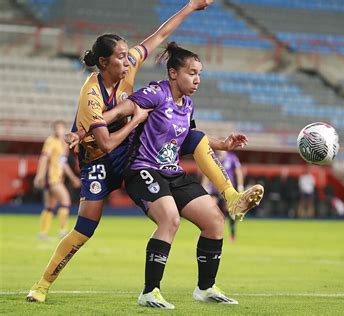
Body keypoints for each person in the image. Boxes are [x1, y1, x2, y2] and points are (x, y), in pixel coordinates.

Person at [27, 0, 215, 303]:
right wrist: (137, 120)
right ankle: (42, 284)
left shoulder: (129, 67)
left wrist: (191, 7)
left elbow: (160, 35)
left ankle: (164, 283)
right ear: (104, 62)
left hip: (131, 156)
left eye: (129, 56)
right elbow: (106, 144)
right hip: (99, 162)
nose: (128, 62)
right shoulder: (91, 96)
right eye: (121, 57)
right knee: (85, 229)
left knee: (182, 142)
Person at [121, 42, 263, 308]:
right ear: (173, 73)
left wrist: (222, 143)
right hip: (143, 170)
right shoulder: (155, 93)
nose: (197, 79)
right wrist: (88, 129)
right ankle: (149, 292)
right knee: (170, 220)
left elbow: (190, 138)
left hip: (172, 172)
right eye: (192, 73)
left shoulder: (187, 105)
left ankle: (205, 288)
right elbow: (122, 110)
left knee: (215, 221)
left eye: (200, 74)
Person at [34, 120, 81, 240]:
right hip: (51, 178)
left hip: (57, 178)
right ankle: (63, 231)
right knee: (65, 201)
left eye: (60, 128)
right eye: (56, 128)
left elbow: (63, 164)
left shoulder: (63, 144)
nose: (58, 130)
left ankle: (42, 233)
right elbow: (44, 158)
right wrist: (39, 176)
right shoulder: (51, 141)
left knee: (50, 205)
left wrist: (72, 178)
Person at [202, 151, 245, 242]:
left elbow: (238, 172)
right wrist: (204, 186)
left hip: (227, 189)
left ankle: (232, 235)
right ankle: (205, 234)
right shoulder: (212, 157)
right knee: (209, 211)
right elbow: (207, 172)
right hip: (214, 189)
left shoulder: (232, 157)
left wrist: (240, 186)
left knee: (229, 211)